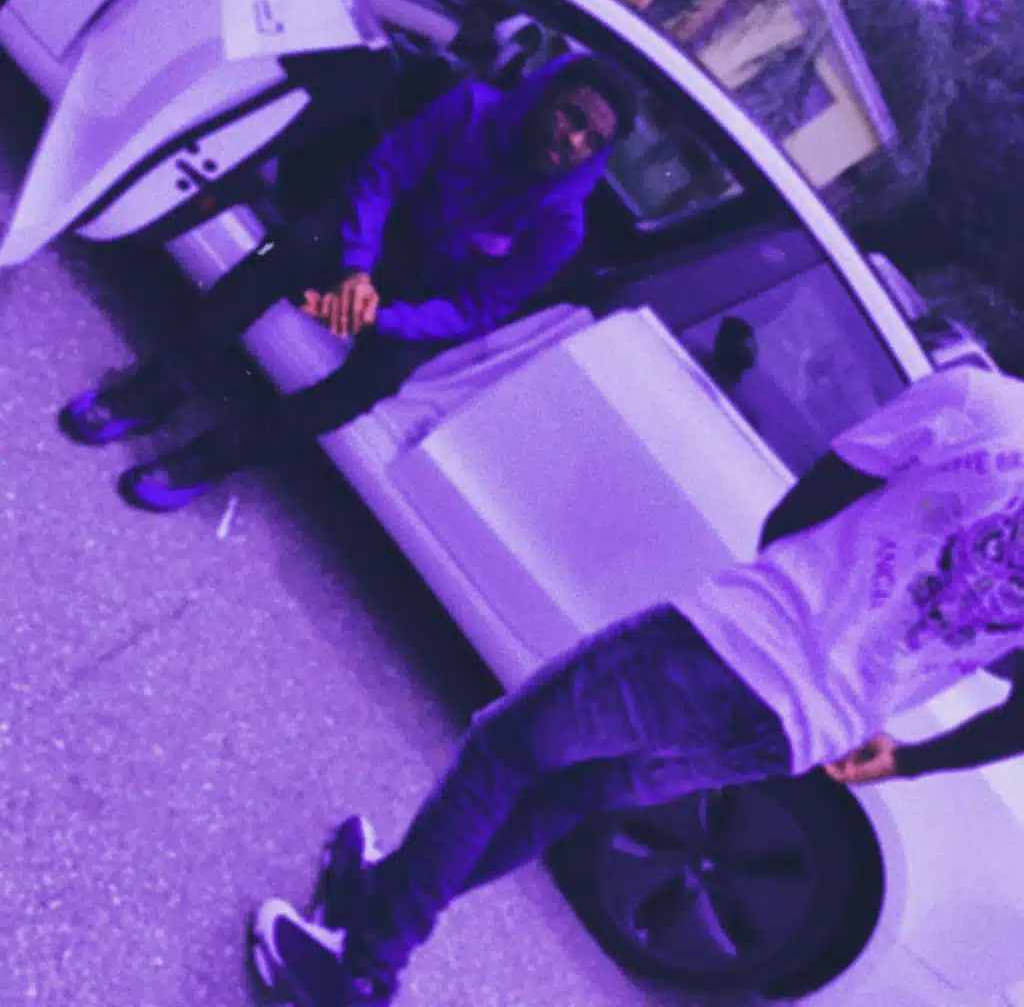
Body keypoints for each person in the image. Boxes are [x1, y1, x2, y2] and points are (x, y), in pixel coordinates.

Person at [249, 363, 1024, 1006]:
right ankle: (380, 896)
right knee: (567, 792)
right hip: (803, 731)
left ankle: (364, 971)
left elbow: (801, 512)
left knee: (504, 753)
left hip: (742, 643)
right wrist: (909, 757)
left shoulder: (981, 404)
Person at [57, 53, 637, 511]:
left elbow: (477, 306)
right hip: (375, 236)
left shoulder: (563, 224)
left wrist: (378, 317)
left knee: (379, 378)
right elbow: (382, 175)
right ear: (546, 95)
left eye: (593, 140)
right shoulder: (469, 109)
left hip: (423, 297)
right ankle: (159, 386)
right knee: (294, 245)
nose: (574, 142)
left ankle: (214, 457)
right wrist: (356, 269)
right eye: (573, 116)